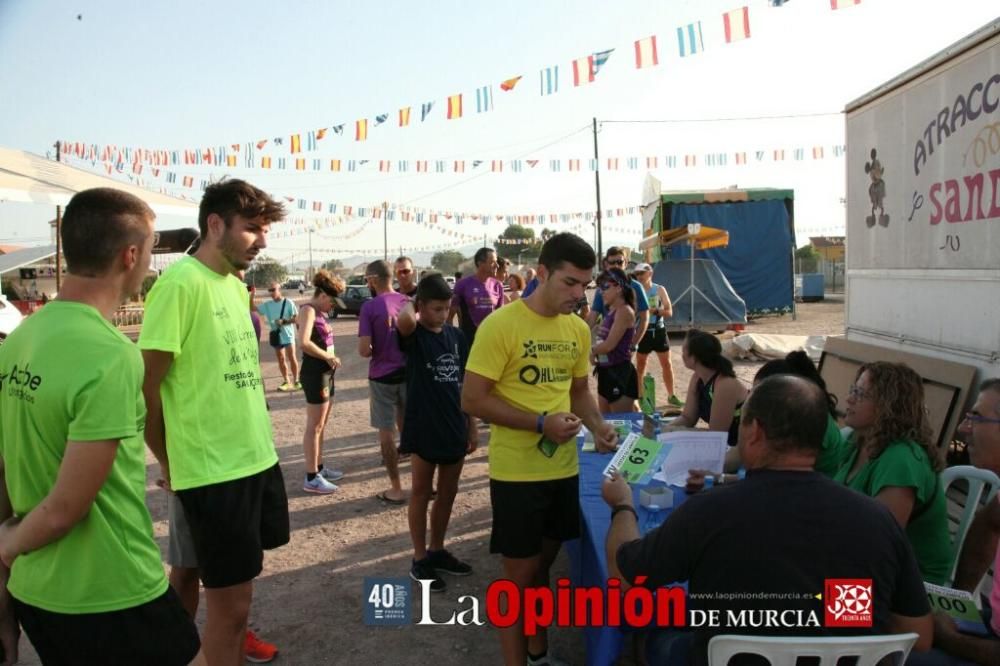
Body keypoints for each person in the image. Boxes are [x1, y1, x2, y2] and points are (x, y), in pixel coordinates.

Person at [0, 188, 203, 665]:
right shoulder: (109, 354)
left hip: (39, 594)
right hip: (112, 588)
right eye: (150, 251)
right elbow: (64, 508)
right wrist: (7, 544)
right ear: (130, 255)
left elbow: (6, 468)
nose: (150, 265)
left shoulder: (19, 339)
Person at [603, 375, 933, 665]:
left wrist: (622, 506)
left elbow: (625, 576)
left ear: (755, 431)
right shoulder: (877, 520)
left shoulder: (708, 512)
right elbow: (919, 635)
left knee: (657, 628)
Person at [140, 178, 290, 665]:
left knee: (236, 602)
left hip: (254, 461)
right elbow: (145, 390)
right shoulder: (178, 285)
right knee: (231, 612)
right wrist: (171, 460)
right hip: (212, 472)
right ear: (215, 224)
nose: (263, 241)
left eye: (265, 230)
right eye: (253, 229)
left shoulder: (233, 286)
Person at [462, 232, 618, 666]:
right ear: (543, 273)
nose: (578, 294)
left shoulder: (575, 330)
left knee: (543, 569)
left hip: (563, 470)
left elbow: (579, 391)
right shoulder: (501, 325)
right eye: (569, 282)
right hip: (517, 475)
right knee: (518, 579)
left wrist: (598, 425)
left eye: (584, 285)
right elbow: (472, 399)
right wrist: (539, 423)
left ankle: (538, 653)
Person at [908, 379, 1000, 665]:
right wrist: (958, 601)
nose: (963, 428)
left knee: (890, 649)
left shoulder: (901, 462)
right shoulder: (853, 446)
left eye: (976, 418)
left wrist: (949, 636)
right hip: (990, 623)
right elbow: (989, 523)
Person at [834, 361, 950, 584]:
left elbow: (879, 545)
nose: (849, 399)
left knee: (808, 605)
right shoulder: (854, 441)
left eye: (860, 394)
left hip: (908, 582)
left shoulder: (900, 459)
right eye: (852, 390)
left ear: (888, 406)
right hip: (860, 561)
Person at [397, 274, 477, 592]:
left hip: (454, 427)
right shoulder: (413, 335)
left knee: (448, 493)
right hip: (424, 427)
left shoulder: (457, 337)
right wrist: (410, 301)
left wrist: (470, 425)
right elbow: (404, 319)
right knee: (421, 492)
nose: (441, 315)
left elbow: (464, 385)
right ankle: (420, 559)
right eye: (434, 309)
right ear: (420, 307)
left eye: (446, 309)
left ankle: (438, 549)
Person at [359, 260, 410, 504]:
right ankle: (425, 485)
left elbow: (363, 350)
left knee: (386, 433)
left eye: (367, 279)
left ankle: (397, 488)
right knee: (411, 429)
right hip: (408, 373)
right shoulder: (407, 302)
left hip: (382, 377)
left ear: (373, 280)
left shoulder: (370, 307)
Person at [297, 269, 346, 494]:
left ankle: (319, 467)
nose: (333, 307)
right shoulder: (308, 310)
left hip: (326, 373)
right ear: (324, 296)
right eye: (332, 302)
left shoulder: (320, 314)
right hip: (315, 373)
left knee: (321, 425)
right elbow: (304, 342)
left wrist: (330, 359)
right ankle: (311, 478)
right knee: (314, 426)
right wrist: (327, 356)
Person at [670, 329, 748, 446]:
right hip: (725, 444)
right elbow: (688, 418)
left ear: (694, 358)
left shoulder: (725, 384)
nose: (682, 355)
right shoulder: (697, 377)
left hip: (740, 447)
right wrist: (662, 430)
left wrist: (677, 434)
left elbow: (716, 435)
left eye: (683, 351)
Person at [632, 262, 682, 408]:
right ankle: (641, 396)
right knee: (640, 365)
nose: (639, 276)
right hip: (643, 332)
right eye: (637, 274)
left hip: (659, 331)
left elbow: (669, 312)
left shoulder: (659, 289)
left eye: (642, 273)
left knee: (667, 364)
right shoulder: (634, 290)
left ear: (650, 273)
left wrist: (656, 311)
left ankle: (671, 395)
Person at [590, 268, 639, 413]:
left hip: (619, 372)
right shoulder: (612, 311)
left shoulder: (624, 311)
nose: (601, 292)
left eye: (605, 287)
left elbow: (609, 345)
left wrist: (592, 351)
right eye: (599, 288)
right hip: (605, 371)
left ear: (618, 288)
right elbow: (601, 343)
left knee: (622, 428)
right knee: (607, 425)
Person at [585, 247, 649, 348]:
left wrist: (634, 343)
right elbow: (593, 317)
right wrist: (579, 338)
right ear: (606, 264)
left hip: (625, 343)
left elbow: (644, 318)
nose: (616, 265)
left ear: (626, 263)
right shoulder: (601, 289)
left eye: (620, 262)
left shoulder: (636, 287)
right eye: (612, 262)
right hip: (606, 340)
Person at [449, 247, 504, 345]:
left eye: (496, 262)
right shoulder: (462, 285)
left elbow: (501, 316)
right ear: (480, 263)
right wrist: (452, 338)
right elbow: (450, 316)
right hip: (467, 341)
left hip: (490, 340)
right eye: (492, 262)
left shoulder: (498, 285)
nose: (497, 265)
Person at [258, 281, 300, 392]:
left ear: (279, 289)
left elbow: (296, 319)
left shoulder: (288, 302)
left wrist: (284, 321)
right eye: (269, 290)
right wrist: (250, 293)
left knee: (292, 358)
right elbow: (253, 308)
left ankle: (296, 380)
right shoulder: (267, 305)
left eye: (273, 290)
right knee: (281, 359)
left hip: (288, 335)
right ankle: (286, 381)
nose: (271, 292)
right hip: (276, 336)